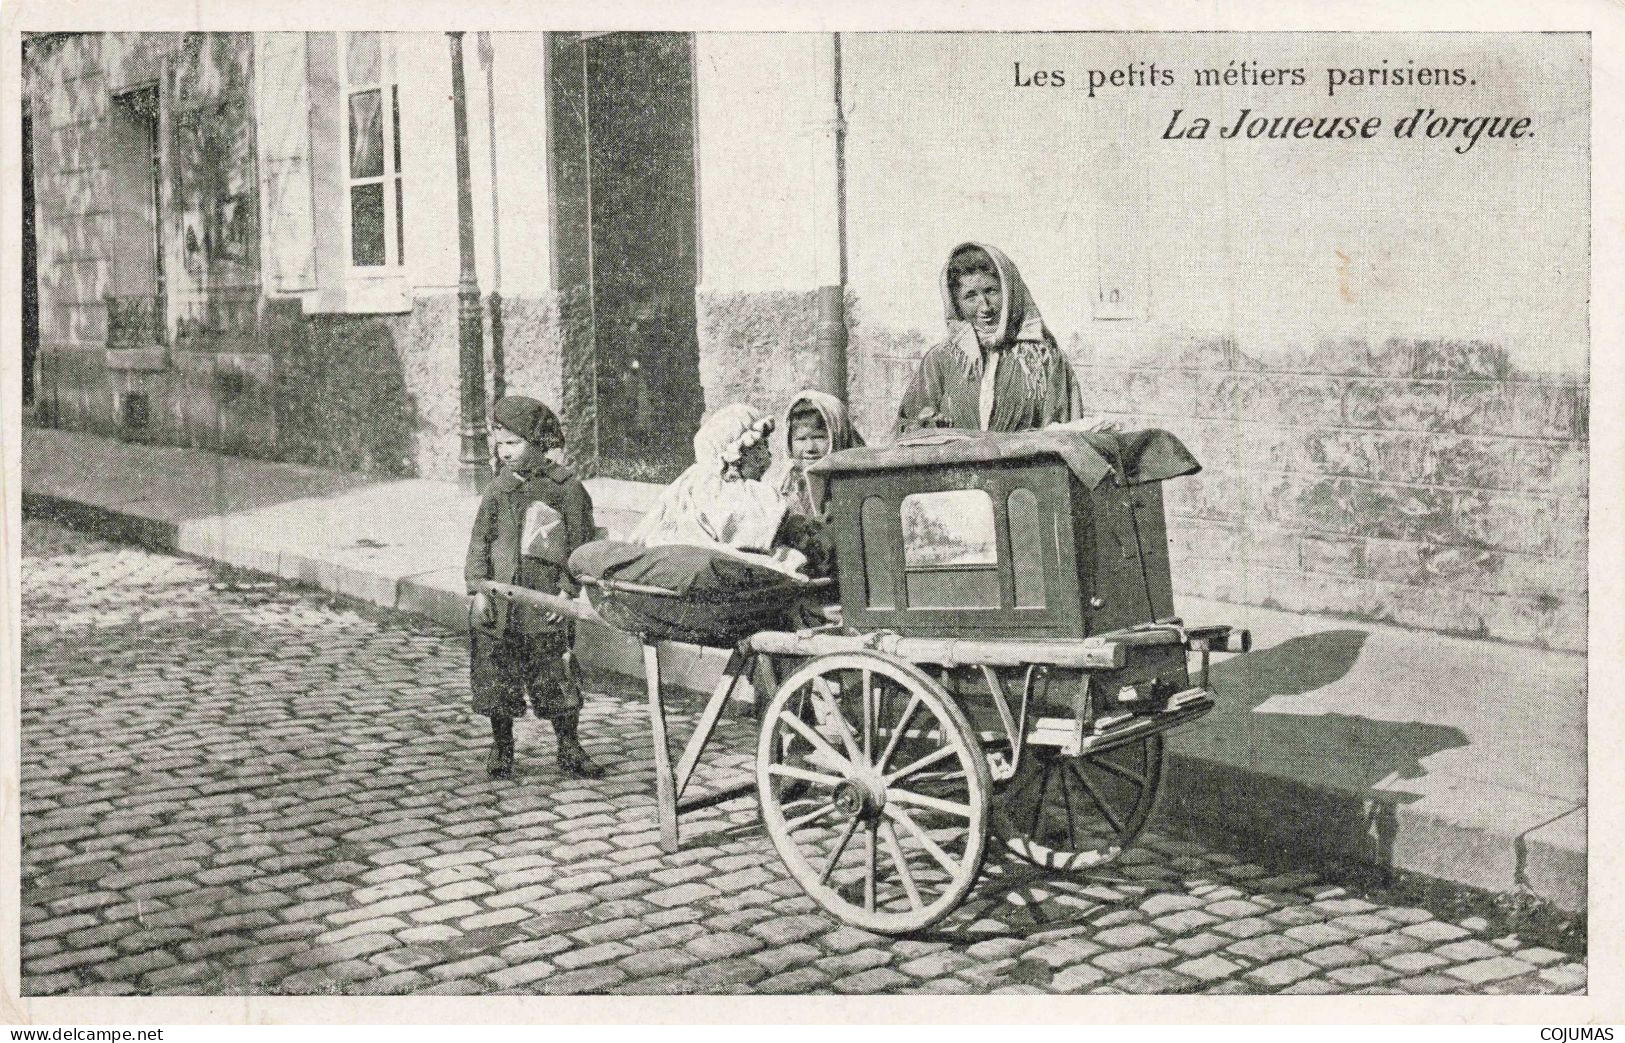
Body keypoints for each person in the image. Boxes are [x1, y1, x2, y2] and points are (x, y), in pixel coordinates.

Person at [464, 395, 603, 781]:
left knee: (554, 673)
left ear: (538, 443)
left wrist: (566, 592)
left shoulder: (566, 489)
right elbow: (479, 542)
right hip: (498, 604)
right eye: (500, 443)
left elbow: (580, 548)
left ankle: (569, 746)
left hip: (543, 604)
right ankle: (502, 745)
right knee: (496, 675)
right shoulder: (497, 490)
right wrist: (477, 588)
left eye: (513, 443)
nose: (503, 452)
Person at [898, 242, 1103, 434]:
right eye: (971, 296)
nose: (985, 307)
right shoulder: (939, 360)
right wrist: (925, 425)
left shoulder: (1046, 359)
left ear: (1009, 291)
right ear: (956, 303)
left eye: (991, 291)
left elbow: (1067, 435)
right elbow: (907, 429)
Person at [630, 403, 792, 564]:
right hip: (694, 552)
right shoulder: (724, 490)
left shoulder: (698, 479)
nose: (767, 454)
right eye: (761, 446)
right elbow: (751, 531)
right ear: (736, 456)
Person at [769, 389, 865, 520]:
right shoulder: (785, 487)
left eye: (819, 437)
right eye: (801, 439)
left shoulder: (857, 484)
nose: (810, 448)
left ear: (838, 436)